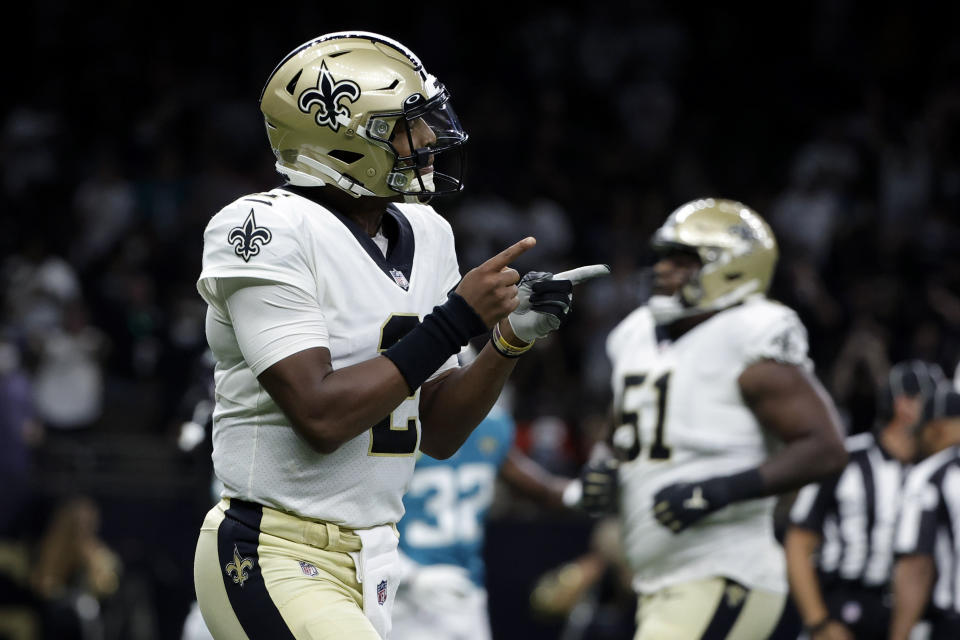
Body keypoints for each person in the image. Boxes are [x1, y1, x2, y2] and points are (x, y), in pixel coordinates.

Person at [191, 31, 607, 640]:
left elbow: (437, 430)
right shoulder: (262, 227)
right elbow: (322, 415)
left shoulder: (426, 231)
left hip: (378, 557)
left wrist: (508, 341)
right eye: (405, 126)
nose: (431, 138)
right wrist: (460, 319)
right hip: (274, 547)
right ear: (340, 137)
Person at [570, 198, 849, 639]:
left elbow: (826, 447)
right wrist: (603, 459)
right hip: (663, 580)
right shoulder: (636, 333)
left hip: (725, 570)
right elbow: (627, 414)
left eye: (684, 261)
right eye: (664, 258)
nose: (663, 270)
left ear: (735, 268)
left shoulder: (750, 333)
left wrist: (718, 490)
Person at [391, 346, 575, 640]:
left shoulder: (492, 427)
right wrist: (407, 573)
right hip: (402, 590)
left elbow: (541, 489)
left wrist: (581, 492)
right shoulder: (399, 427)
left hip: (464, 590)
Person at [784, 359, 944, 640]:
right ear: (904, 405)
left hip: (911, 618)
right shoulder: (845, 459)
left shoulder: (938, 471)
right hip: (841, 606)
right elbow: (799, 542)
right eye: (932, 402)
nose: (941, 414)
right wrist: (819, 623)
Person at [890, 387, 960, 640]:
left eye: (919, 433)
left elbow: (916, 567)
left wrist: (899, 635)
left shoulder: (930, 475)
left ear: (936, 429)